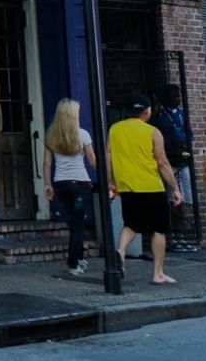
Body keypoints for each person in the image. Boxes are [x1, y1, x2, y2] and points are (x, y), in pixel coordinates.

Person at [108, 98, 185, 285]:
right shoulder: (153, 132)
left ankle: (121, 251)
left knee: (131, 225)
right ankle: (158, 274)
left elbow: (108, 157)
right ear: (147, 111)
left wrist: (112, 182)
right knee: (158, 230)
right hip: (151, 186)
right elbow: (163, 163)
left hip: (127, 187)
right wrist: (175, 188)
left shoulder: (114, 129)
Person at [42, 97, 100, 274]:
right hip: (80, 184)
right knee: (78, 224)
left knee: (74, 223)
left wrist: (48, 184)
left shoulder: (51, 135)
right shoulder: (83, 134)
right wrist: (106, 177)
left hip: (61, 184)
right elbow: (92, 161)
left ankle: (79, 257)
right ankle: (73, 263)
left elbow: (47, 163)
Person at [153, 86, 197, 253]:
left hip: (183, 161)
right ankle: (172, 236)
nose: (177, 98)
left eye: (178, 95)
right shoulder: (161, 116)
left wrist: (185, 146)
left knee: (184, 198)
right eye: (173, 95)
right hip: (169, 161)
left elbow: (189, 133)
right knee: (171, 199)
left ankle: (180, 234)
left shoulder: (181, 114)